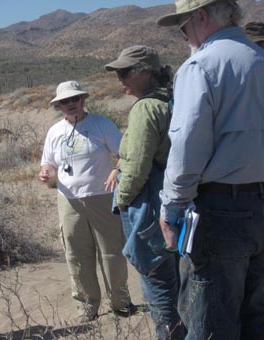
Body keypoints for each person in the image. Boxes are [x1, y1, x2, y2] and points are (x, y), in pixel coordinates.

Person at [157, 1, 264, 339]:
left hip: (218, 213)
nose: (184, 35)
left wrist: (171, 208)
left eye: (183, 26)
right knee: (256, 320)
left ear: (200, 17)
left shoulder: (200, 67)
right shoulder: (260, 60)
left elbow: (187, 148)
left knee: (210, 325)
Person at [104, 46, 185, 340]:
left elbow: (137, 167)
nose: (119, 79)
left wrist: (122, 201)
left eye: (125, 72)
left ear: (146, 72)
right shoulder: (171, 100)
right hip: (171, 198)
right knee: (175, 280)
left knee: (157, 283)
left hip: (147, 204)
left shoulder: (146, 108)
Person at [39, 80, 134, 321]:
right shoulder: (54, 131)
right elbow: (48, 163)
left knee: (111, 253)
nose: (71, 104)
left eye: (75, 99)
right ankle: (86, 306)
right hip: (69, 200)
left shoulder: (101, 124)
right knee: (76, 254)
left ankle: (120, 303)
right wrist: (47, 172)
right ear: (59, 106)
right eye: (65, 101)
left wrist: (116, 171)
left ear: (83, 100)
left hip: (102, 197)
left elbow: (124, 154)